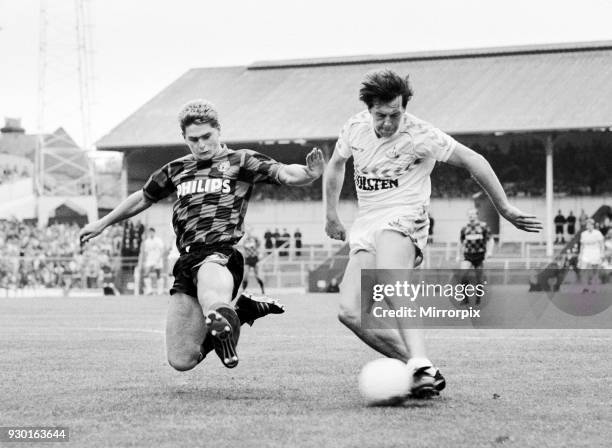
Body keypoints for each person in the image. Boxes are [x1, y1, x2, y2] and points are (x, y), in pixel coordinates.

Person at [324, 69, 542, 398]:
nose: (387, 123)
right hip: (366, 221)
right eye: (380, 115)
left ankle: (420, 363)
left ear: (404, 108)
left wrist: (504, 208)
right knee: (350, 312)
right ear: (369, 110)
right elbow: (336, 165)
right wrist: (331, 215)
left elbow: (474, 160)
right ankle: (423, 369)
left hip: (406, 215)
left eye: (394, 115)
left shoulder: (420, 134)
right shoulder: (354, 128)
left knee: (390, 275)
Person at [80, 99, 324, 371]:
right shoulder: (176, 169)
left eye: (207, 136)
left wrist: (309, 174)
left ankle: (222, 314)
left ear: (219, 130)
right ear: (184, 138)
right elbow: (143, 197)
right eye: (194, 139)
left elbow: (284, 173)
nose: (202, 144)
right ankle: (241, 312)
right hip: (186, 260)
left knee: (213, 300)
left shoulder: (240, 160)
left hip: (219, 254)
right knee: (182, 360)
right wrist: (102, 223)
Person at [457, 208, 492, 304]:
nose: (471, 216)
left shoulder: (483, 226)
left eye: (473, 214)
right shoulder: (464, 228)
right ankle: (465, 299)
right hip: (467, 255)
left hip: (479, 256)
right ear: (468, 216)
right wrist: (458, 255)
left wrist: (489, 252)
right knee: (463, 276)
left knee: (479, 279)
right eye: (470, 214)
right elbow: (460, 242)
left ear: (477, 215)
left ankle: (478, 298)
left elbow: (490, 240)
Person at [578, 218, 605, 293]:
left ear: (593, 225)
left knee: (595, 271)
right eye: (587, 224)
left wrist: (602, 253)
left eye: (590, 224)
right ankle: (585, 287)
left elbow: (602, 244)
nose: (589, 226)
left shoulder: (598, 233)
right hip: (586, 252)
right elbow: (582, 245)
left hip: (595, 252)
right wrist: (580, 255)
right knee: (583, 270)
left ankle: (594, 288)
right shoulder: (583, 234)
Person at [140, 227, 165, 295]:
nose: (150, 233)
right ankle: (149, 290)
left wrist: (159, 258)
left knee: (159, 275)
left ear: (154, 232)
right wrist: (145, 261)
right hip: (150, 260)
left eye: (151, 232)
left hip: (158, 260)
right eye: (149, 232)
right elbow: (145, 252)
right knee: (146, 274)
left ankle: (160, 291)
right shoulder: (147, 241)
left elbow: (162, 250)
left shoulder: (158, 240)